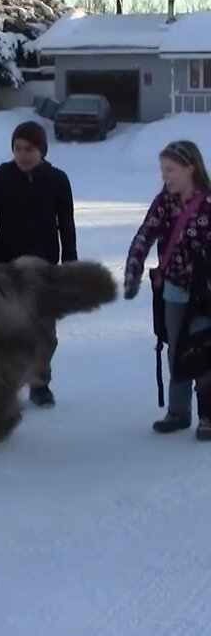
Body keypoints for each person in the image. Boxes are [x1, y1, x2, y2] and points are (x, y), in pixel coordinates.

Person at [0, 120, 77, 407]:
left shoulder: (57, 180)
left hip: (43, 267)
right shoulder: (0, 178)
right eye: (18, 149)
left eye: (29, 149)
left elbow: (66, 224)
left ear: (41, 149)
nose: (23, 154)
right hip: (4, 265)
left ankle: (39, 383)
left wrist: (69, 264)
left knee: (44, 331)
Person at [123, 141, 211, 439]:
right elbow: (145, 234)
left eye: (170, 169)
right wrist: (133, 270)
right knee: (177, 349)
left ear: (190, 169)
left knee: (203, 347)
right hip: (173, 288)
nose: (165, 176)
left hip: (206, 293)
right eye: (162, 170)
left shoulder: (209, 203)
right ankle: (178, 411)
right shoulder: (164, 202)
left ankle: (208, 415)